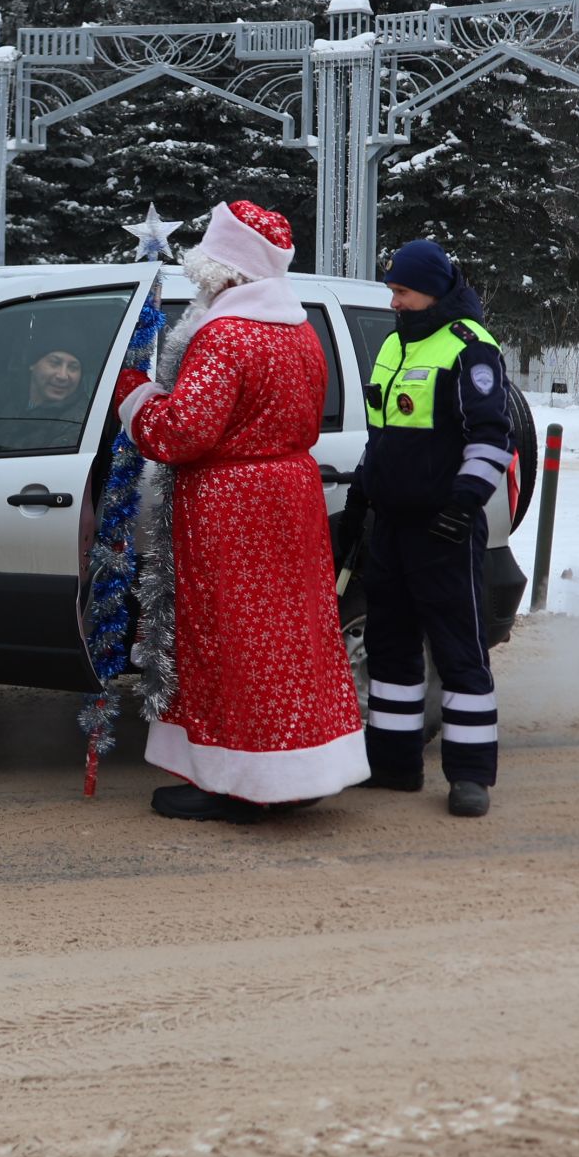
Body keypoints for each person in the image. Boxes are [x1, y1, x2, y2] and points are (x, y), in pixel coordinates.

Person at [111, 200, 368, 824]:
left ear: (226, 270)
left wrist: (135, 396)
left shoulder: (226, 336)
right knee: (291, 638)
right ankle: (297, 770)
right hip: (291, 497)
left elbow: (181, 432)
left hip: (232, 508)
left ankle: (234, 781)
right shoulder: (298, 330)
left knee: (227, 641)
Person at [341, 238, 512, 818]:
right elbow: (383, 433)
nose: (394, 301)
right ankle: (392, 762)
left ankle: (469, 775)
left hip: (443, 527)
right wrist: (363, 494)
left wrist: (464, 505)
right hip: (390, 526)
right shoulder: (393, 344)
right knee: (389, 649)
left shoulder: (471, 348)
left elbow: (492, 438)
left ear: (433, 291)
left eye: (403, 291)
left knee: (459, 650)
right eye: (391, 290)